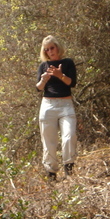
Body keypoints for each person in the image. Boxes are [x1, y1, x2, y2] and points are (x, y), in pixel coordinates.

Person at [36, 35, 77, 180]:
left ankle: (69, 169)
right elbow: (39, 88)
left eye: (52, 48)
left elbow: (72, 83)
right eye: (46, 49)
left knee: (69, 136)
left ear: (57, 47)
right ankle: (51, 174)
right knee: (48, 141)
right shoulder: (43, 66)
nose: (50, 51)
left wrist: (60, 75)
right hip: (48, 105)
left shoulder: (67, 62)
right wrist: (43, 79)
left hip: (65, 104)